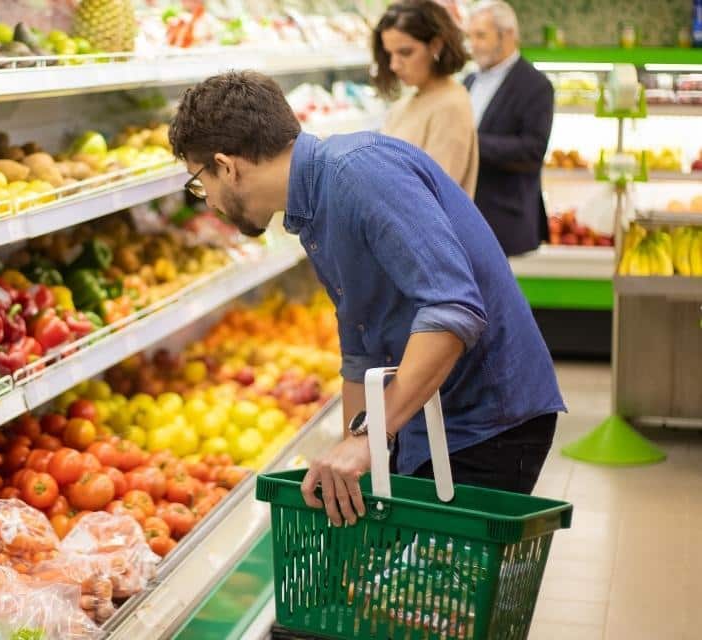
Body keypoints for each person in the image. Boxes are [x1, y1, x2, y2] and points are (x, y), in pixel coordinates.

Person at [168, 71, 564, 526]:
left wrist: (371, 437)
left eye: (200, 183)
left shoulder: (358, 173)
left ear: (227, 165)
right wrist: (349, 457)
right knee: (406, 587)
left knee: (441, 593)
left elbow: (453, 310)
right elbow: (362, 353)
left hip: (485, 421)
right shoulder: (312, 209)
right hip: (428, 417)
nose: (208, 202)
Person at [465, 1, 555, 256]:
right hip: (470, 218)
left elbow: (532, 151)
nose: (473, 45)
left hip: (506, 223)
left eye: (481, 35)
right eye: (469, 36)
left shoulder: (536, 86)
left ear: (508, 35)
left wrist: (470, 143)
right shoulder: (469, 80)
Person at [375, 0, 479, 197]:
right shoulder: (407, 103)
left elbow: (432, 194)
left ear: (436, 46)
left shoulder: (451, 105)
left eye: (405, 52)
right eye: (389, 54)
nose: (394, 65)